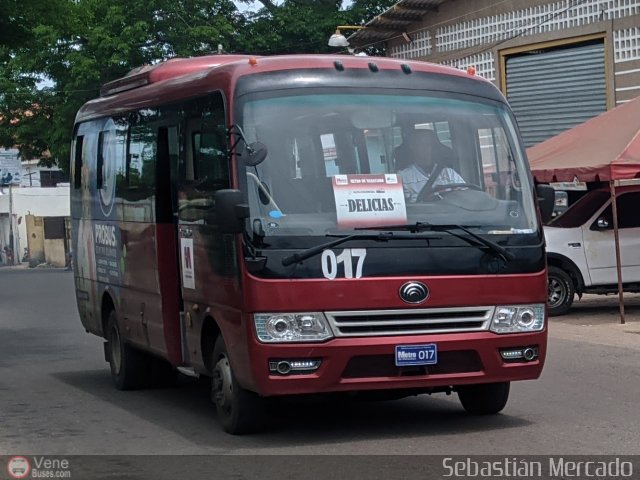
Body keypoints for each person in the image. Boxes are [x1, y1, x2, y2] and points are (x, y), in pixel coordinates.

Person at [396, 129, 464, 202]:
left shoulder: (449, 174)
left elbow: (466, 196)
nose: (427, 148)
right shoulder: (403, 178)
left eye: (430, 144)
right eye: (422, 144)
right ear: (413, 147)